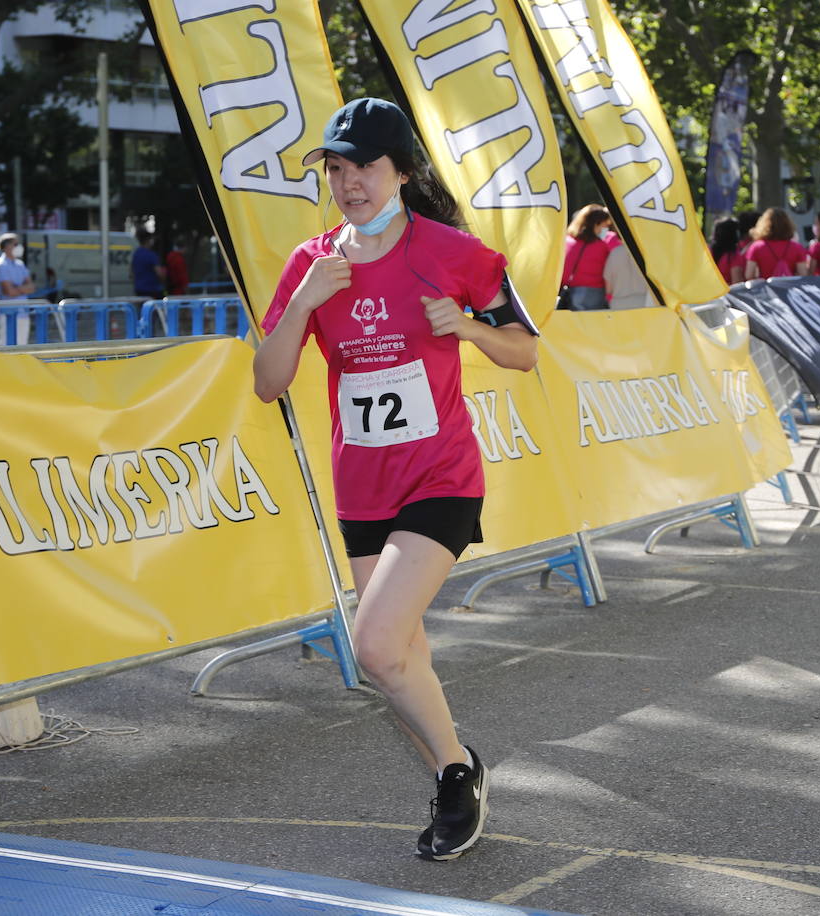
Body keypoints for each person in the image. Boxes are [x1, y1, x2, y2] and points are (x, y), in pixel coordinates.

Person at [252, 97, 538, 862]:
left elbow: (524, 350)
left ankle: (453, 772)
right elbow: (267, 382)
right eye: (337, 169)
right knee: (403, 652)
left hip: (441, 475)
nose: (350, 184)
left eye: (365, 167)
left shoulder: (451, 252)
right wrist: (303, 303)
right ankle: (457, 770)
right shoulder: (312, 265)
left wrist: (470, 327)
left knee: (374, 646)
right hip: (362, 489)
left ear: (402, 171)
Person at [558, 204, 611, 310]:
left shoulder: (567, 242)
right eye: (603, 226)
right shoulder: (601, 246)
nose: (604, 229)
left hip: (571, 291)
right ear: (596, 223)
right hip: (594, 293)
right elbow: (608, 272)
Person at [743, 207, 809, 279]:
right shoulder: (797, 247)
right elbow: (803, 274)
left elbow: (749, 275)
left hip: (766, 289)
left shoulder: (756, 247)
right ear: (787, 225)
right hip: (789, 288)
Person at [0, 232, 36, 300]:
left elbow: (32, 288)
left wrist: (16, 289)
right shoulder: (0, 265)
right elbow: (9, 292)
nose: (18, 247)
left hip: (23, 309)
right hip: (6, 309)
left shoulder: (20, 264)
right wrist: (24, 289)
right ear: (5, 247)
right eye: (15, 244)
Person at [132, 229, 166, 299]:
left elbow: (131, 272)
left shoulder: (136, 254)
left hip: (139, 289)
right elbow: (159, 273)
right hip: (153, 290)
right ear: (148, 240)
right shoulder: (151, 255)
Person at [709, 217, 743, 284]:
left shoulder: (708, 251)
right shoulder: (734, 256)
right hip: (726, 293)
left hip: (709, 292)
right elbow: (736, 283)